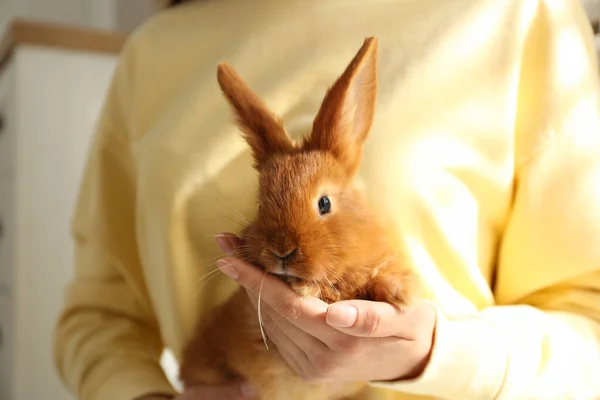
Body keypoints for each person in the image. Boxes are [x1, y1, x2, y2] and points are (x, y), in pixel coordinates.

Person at [52, 0, 600, 399]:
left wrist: (442, 354)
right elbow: (101, 315)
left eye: (319, 208)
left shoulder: (519, 15)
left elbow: (588, 319)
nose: (290, 245)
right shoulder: (153, 52)